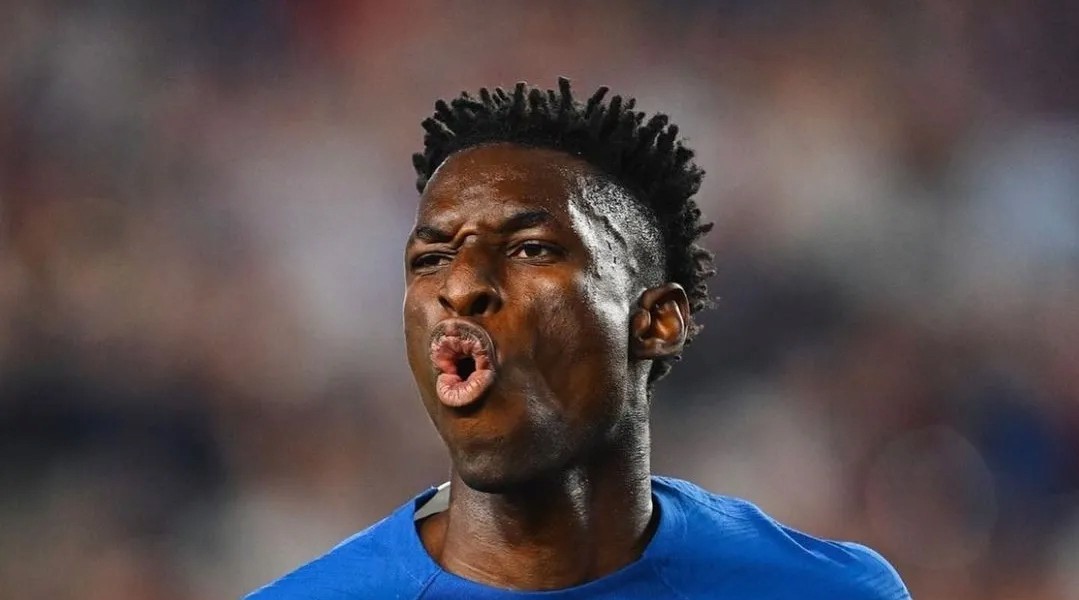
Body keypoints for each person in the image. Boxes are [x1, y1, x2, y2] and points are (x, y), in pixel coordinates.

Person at [246, 77, 910, 599]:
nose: (461, 285)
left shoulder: (825, 590)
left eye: (531, 249)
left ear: (656, 322)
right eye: (431, 259)